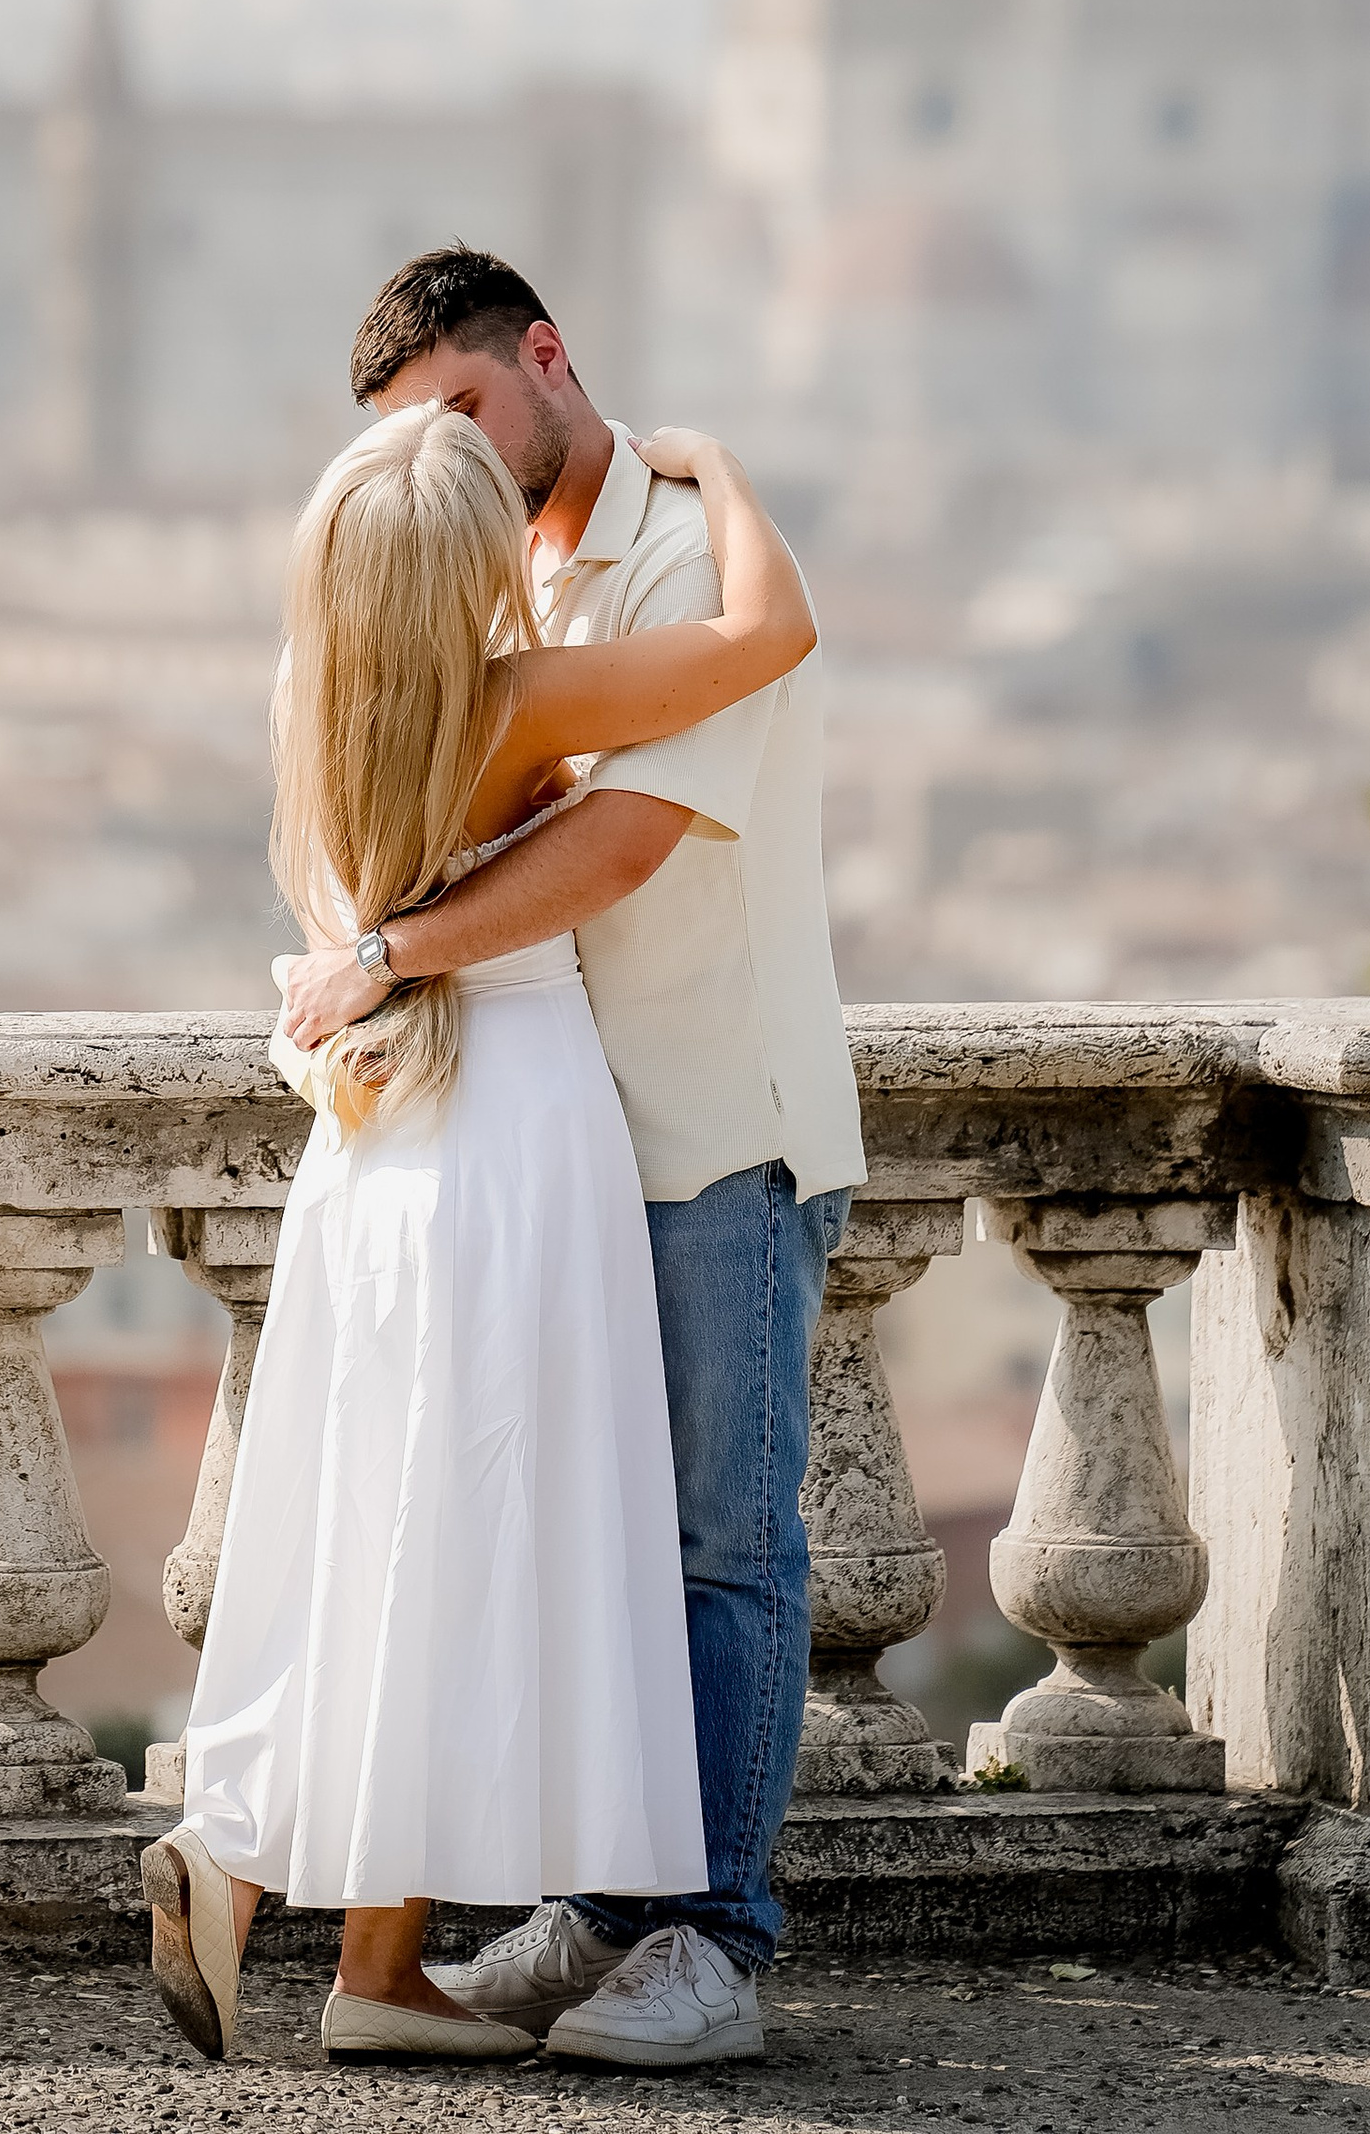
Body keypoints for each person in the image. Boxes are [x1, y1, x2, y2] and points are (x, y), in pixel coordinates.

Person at [140, 384, 818, 2069]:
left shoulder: (306, 701)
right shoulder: (513, 701)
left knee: (391, 1527)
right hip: (514, 1133)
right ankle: (301, 1905)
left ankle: (346, 1942)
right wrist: (721, 466)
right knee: (478, 1537)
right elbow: (764, 636)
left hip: (374, 1160)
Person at [277, 247, 865, 2070]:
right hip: (566, 1147)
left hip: (713, 1124)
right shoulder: (491, 568)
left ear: (544, 355)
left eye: (460, 409)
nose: (445, 456)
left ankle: (715, 1941)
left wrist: (384, 956)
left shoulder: (683, 558)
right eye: (412, 439)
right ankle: (613, 1911)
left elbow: (625, 843)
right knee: (598, 1543)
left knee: (720, 1543)